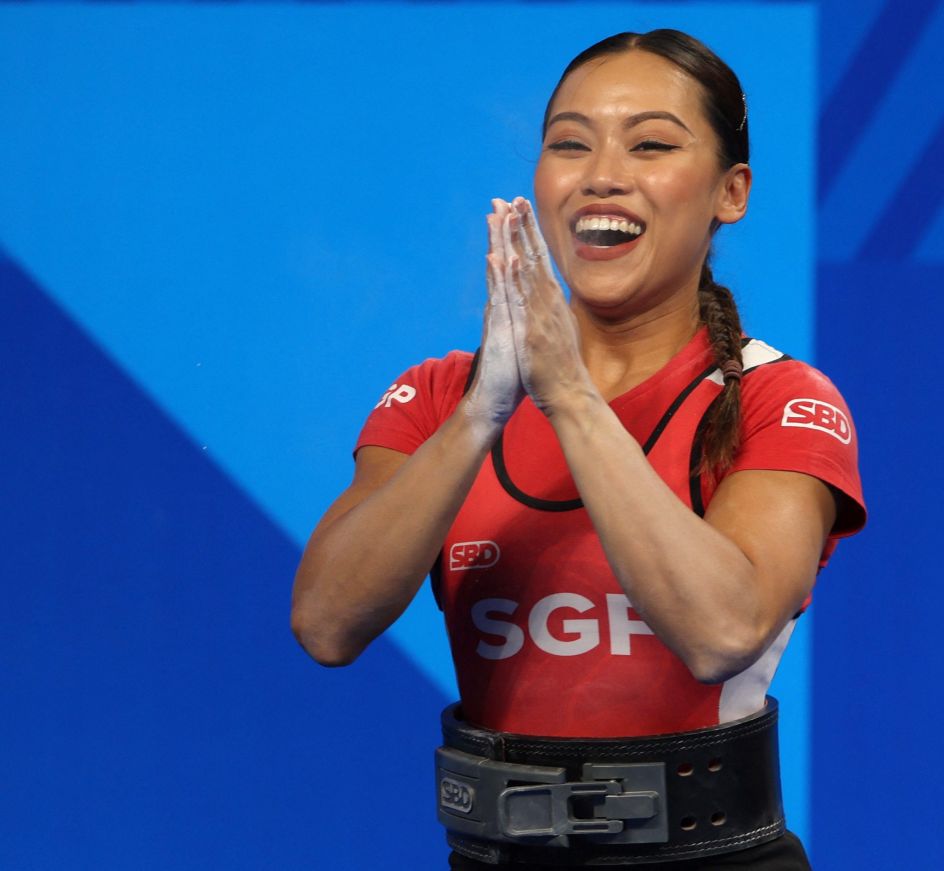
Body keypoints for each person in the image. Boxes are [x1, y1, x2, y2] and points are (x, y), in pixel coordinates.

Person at [291, 29, 865, 869]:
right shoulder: (442, 397)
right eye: (569, 143)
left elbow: (722, 630)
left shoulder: (779, 398)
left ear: (730, 192)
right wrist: (486, 409)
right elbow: (326, 623)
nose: (602, 173)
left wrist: (566, 394)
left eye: (652, 144)